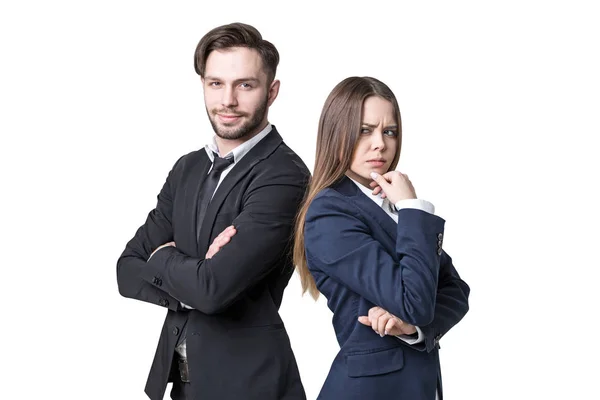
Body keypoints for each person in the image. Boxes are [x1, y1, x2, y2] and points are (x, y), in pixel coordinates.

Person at [116, 22, 309, 400]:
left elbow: (214, 289)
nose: (228, 101)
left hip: (250, 386)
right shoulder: (187, 168)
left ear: (272, 92)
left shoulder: (285, 175)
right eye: (216, 83)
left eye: (245, 85)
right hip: (184, 385)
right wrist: (193, 277)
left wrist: (165, 259)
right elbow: (126, 268)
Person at [293, 76, 470, 399]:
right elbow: (414, 302)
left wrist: (413, 329)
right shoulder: (329, 213)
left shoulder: (385, 204)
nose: (381, 144)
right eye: (365, 130)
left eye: (389, 131)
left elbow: (456, 291)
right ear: (337, 133)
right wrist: (413, 207)